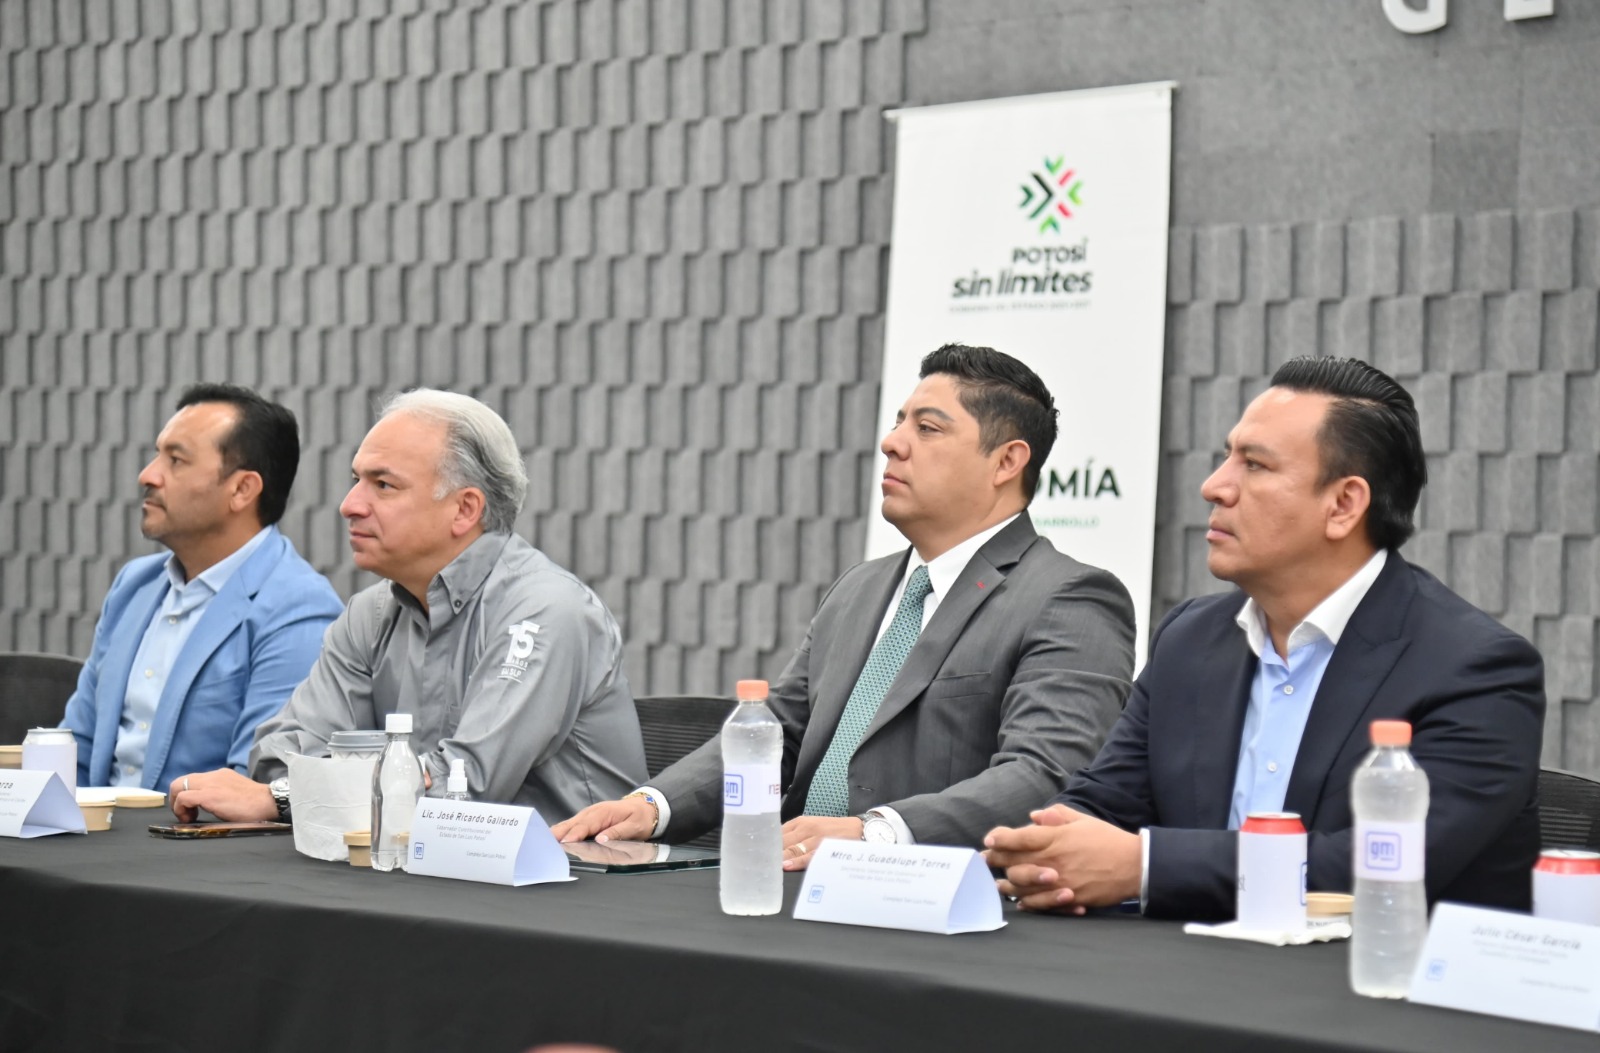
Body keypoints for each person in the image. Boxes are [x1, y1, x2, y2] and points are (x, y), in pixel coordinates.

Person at [984, 356, 1545, 919]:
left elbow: (1385, 865)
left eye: (1254, 465)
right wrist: (1046, 848)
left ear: (1343, 505)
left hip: (1378, 968)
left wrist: (1147, 865)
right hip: (1190, 964)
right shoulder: (1190, 639)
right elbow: (1107, 801)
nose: (1214, 486)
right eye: (1228, 456)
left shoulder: (1475, 667)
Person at [554, 344, 1136, 865]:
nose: (892, 443)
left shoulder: (1068, 597)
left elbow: (1043, 775)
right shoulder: (860, 587)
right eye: (899, 422)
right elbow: (778, 732)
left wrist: (876, 834)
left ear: (1007, 462)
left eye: (927, 429)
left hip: (931, 906)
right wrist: (653, 806)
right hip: (789, 883)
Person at [169, 389, 648, 822]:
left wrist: (290, 797)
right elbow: (280, 756)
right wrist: (300, 789)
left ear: (464, 509)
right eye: (356, 479)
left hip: (568, 878)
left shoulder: (543, 610)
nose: (350, 504)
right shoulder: (370, 613)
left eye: (383, 485)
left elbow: (464, 786)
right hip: (411, 869)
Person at [60, 384, 342, 792]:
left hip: (192, 832)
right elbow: (76, 750)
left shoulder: (299, 608)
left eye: (176, 460)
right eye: (158, 455)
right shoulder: (134, 586)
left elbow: (253, 787)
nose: (147, 475)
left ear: (242, 490)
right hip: (91, 826)